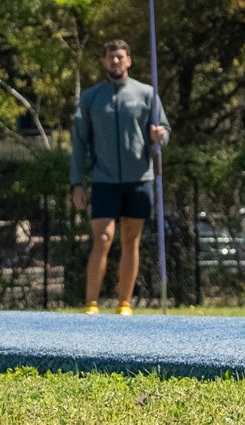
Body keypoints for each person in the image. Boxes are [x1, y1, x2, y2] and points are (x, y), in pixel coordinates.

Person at [69, 37, 167, 314]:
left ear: (129, 60)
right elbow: (79, 143)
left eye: (120, 56)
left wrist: (160, 135)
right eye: (111, 57)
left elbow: (163, 130)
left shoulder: (147, 93)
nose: (115, 61)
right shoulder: (91, 98)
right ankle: (91, 302)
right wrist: (76, 182)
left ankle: (124, 302)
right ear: (103, 61)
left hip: (140, 178)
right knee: (102, 238)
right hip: (104, 180)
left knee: (131, 239)